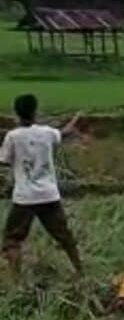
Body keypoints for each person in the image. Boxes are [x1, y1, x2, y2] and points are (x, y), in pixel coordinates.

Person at [0, 94, 83, 278]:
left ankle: (16, 279)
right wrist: (76, 119)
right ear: (35, 111)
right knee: (64, 237)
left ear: (16, 113)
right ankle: (80, 271)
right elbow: (65, 132)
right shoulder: (47, 132)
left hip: (24, 198)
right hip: (49, 195)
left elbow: (4, 161)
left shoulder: (12, 136)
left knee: (12, 240)